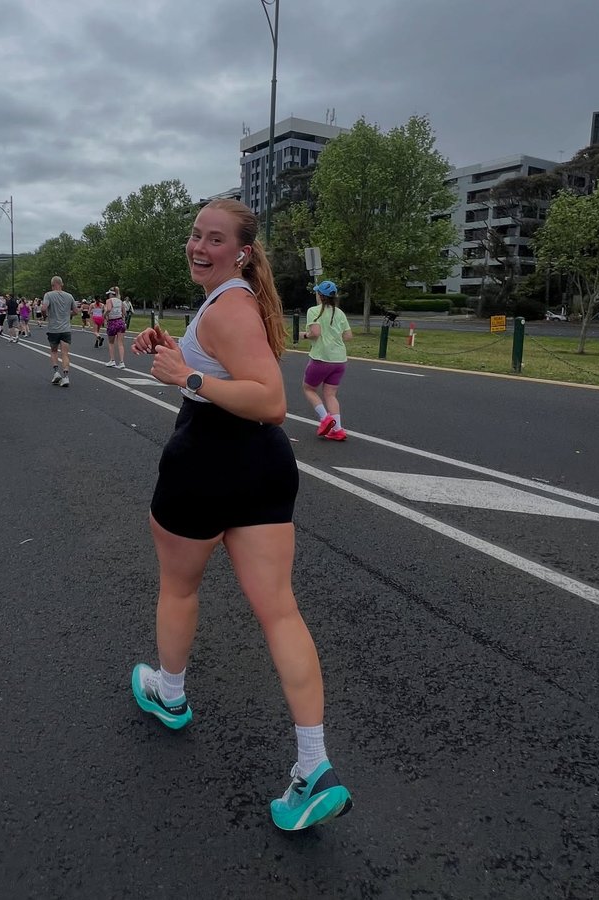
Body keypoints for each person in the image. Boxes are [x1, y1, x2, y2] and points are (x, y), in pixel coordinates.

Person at [129, 199, 352, 831]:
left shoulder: (229, 306)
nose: (199, 246)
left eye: (215, 238)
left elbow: (271, 400)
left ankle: (169, 695)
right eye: (195, 235)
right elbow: (236, 371)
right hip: (261, 468)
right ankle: (314, 765)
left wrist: (186, 379)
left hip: (206, 462)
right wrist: (182, 356)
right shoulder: (232, 301)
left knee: (179, 587)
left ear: (243, 251)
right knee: (279, 610)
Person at [300, 280, 353, 442]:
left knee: (309, 389)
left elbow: (315, 332)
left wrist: (304, 335)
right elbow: (348, 336)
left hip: (321, 357)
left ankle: (325, 419)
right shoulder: (340, 313)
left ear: (320, 296)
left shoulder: (313, 311)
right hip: (340, 360)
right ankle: (337, 429)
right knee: (330, 394)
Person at [41, 276, 77, 387]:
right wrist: (67, 314)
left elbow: (43, 308)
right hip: (65, 328)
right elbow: (76, 311)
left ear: (52, 285)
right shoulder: (69, 296)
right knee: (65, 353)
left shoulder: (48, 295)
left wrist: (45, 315)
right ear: (62, 284)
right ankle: (66, 376)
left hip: (53, 328)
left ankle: (56, 372)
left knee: (54, 351)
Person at [104, 288, 127, 369]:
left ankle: (112, 360)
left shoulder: (109, 301)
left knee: (111, 342)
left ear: (111, 294)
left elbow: (109, 309)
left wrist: (105, 314)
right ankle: (122, 361)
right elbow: (124, 312)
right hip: (120, 321)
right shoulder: (120, 301)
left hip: (112, 322)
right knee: (120, 343)